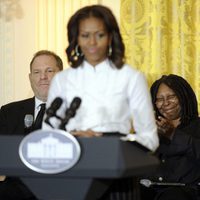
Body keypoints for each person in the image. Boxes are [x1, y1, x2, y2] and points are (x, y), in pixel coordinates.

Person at [42, 4, 158, 200]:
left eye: (100, 35)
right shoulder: (62, 80)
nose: (92, 43)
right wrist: (76, 139)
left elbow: (150, 139)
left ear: (111, 36)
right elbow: (48, 134)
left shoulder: (131, 77)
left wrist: (104, 143)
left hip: (118, 175)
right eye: (85, 35)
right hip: (73, 172)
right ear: (76, 38)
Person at [0, 50, 63, 200]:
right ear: (30, 78)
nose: (43, 77)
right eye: (37, 72)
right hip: (13, 191)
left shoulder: (76, 112)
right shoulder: (9, 112)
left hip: (60, 188)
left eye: (49, 71)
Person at [140, 74, 200, 200]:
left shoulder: (197, 126)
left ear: (184, 97)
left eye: (171, 97)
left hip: (185, 194)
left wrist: (173, 134)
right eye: (159, 99)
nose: (165, 103)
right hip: (149, 191)